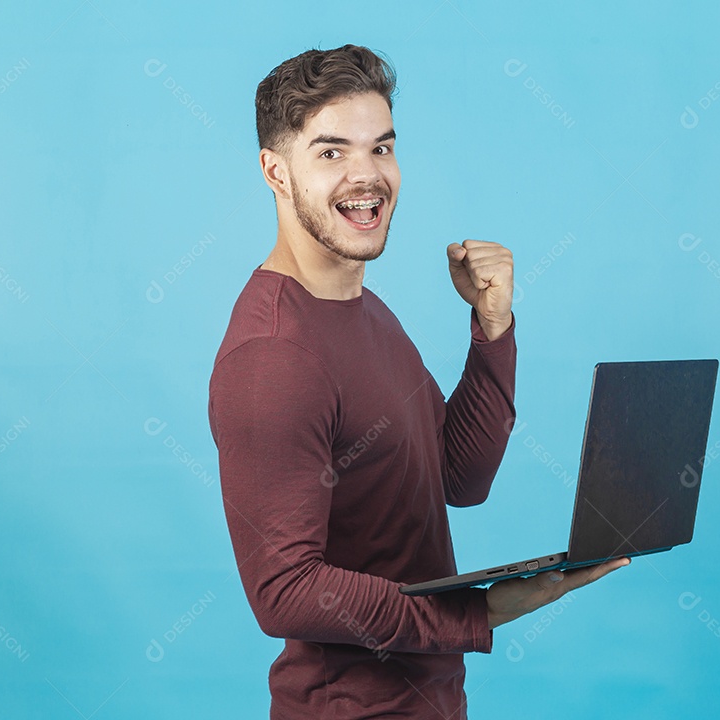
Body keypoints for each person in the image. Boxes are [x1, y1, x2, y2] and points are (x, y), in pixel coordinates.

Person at [207, 43, 631, 720]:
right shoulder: (272, 356)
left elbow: (459, 478)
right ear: (275, 172)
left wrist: (491, 329)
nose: (366, 176)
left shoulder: (368, 312)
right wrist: (479, 612)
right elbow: (282, 590)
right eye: (331, 152)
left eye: (381, 148)